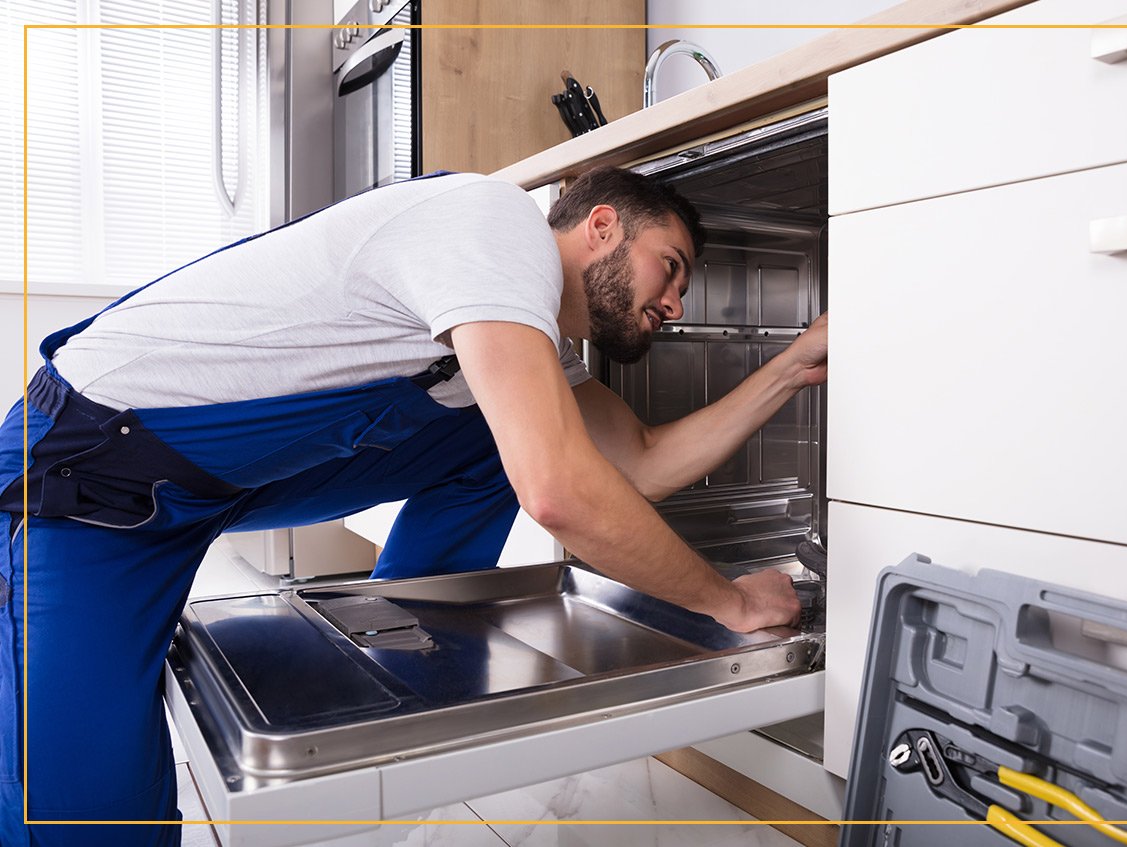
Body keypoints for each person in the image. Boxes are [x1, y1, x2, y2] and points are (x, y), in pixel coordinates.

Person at [0, 166, 827, 846]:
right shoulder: (495, 226)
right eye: (670, 265)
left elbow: (640, 463)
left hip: (213, 486)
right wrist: (729, 600)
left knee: (510, 433)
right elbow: (562, 491)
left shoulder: (523, 336)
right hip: (85, 484)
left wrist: (793, 363)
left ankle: (402, 654)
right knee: (85, 816)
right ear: (602, 226)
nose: (675, 302)